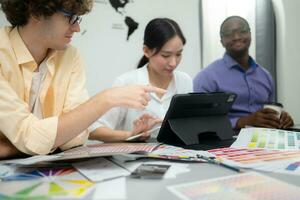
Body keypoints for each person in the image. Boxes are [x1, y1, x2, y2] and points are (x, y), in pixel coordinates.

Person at [0, 0, 165, 159]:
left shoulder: (70, 56)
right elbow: (34, 138)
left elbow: (77, 136)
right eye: (70, 17)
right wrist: (106, 99)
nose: (77, 28)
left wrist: (14, 145)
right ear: (36, 11)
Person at [89, 18, 193, 142]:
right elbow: (93, 130)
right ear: (146, 51)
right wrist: (130, 134)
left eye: (178, 54)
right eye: (165, 55)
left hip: (175, 157)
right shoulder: (126, 82)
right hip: (132, 158)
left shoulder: (184, 81)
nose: (173, 62)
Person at [193, 16, 294, 130]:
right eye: (229, 33)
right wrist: (241, 122)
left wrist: (281, 118)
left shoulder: (265, 76)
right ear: (222, 41)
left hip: (265, 137)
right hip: (228, 140)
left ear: (250, 34)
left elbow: (270, 112)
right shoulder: (207, 77)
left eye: (242, 31)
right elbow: (201, 121)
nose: (236, 37)